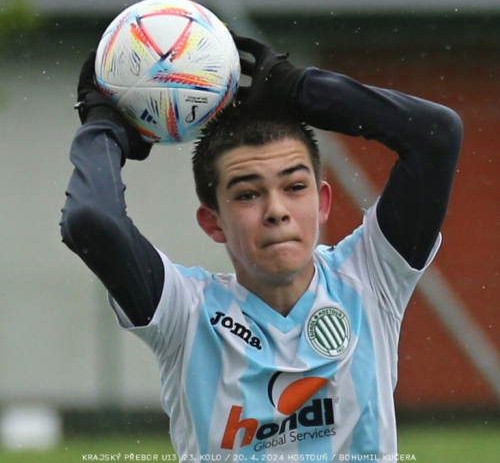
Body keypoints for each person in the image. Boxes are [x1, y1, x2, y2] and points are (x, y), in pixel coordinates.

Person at [60, 33, 463, 460]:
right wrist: (103, 129)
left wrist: (301, 90)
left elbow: (435, 135)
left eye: (294, 187)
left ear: (322, 202)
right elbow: (91, 223)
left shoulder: (370, 277)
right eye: (248, 194)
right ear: (213, 222)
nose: (276, 211)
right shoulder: (184, 314)